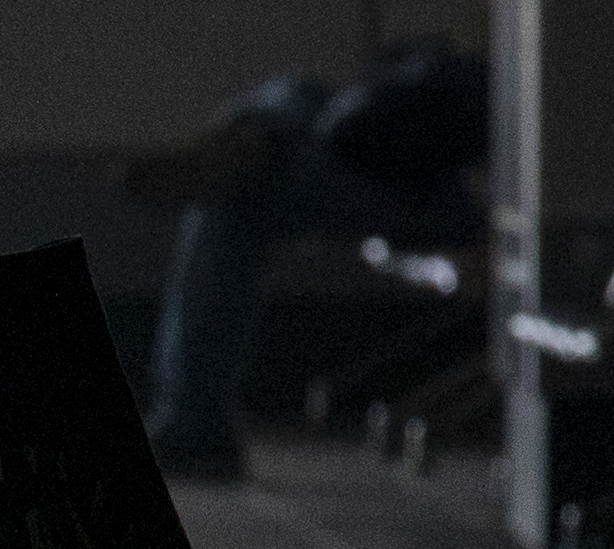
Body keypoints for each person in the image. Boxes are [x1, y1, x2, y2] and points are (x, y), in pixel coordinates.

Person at [129, 37, 487, 477]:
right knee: (292, 100)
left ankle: (252, 137)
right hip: (393, 160)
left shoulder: (545, 39)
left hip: (447, 195)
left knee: (239, 193)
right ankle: (257, 134)